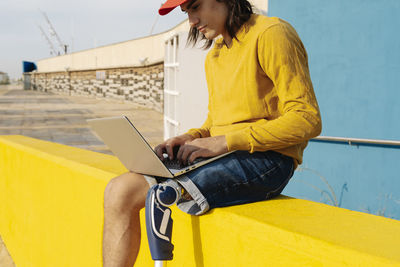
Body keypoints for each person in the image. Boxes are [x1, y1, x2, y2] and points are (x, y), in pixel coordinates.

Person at [102, 0, 322, 265]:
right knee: (118, 190)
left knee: (159, 196)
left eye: (196, 7)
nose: (192, 21)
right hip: (226, 153)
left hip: (267, 159)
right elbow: (216, 122)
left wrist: (226, 142)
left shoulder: (271, 33)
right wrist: (191, 137)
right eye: (187, 12)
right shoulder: (215, 55)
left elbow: (307, 119)